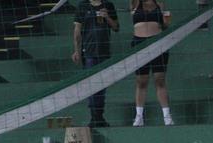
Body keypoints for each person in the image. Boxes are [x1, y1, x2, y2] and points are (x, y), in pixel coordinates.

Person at [73, 0, 120, 128]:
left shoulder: (108, 5)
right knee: (91, 85)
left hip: (104, 52)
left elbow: (116, 27)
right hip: (88, 51)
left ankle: (99, 115)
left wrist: (107, 17)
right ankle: (94, 116)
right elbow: (77, 31)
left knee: (102, 85)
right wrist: (76, 51)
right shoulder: (82, 6)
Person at [130, 0, 173, 127]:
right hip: (139, 43)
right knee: (141, 81)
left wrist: (166, 22)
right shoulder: (135, 3)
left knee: (159, 79)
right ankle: (139, 116)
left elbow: (165, 25)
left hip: (157, 43)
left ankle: (166, 116)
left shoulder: (159, 3)